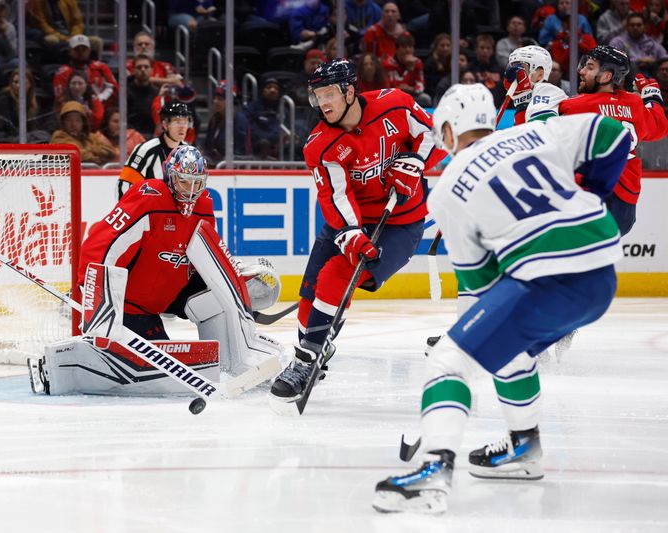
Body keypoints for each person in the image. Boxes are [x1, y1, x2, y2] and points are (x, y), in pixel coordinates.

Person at [372, 82, 630, 515]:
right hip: (600, 276)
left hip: (546, 279)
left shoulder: (450, 186)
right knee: (511, 351)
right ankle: (522, 449)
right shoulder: (535, 132)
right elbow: (615, 136)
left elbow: (478, 286)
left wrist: (467, 348)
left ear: (450, 132)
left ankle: (434, 471)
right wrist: (594, 196)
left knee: (448, 360)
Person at [32, 145, 283, 396]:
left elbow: (206, 254)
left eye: (197, 183)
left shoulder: (204, 205)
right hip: (132, 304)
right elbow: (101, 245)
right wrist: (94, 295)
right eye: (184, 182)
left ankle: (236, 361)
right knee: (155, 373)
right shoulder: (149, 197)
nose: (191, 191)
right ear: (169, 176)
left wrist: (234, 285)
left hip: (173, 289)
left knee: (216, 298)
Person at [267, 58, 446, 411]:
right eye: (318, 96)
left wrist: (415, 160)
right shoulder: (320, 144)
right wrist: (349, 233)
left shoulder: (394, 103)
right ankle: (317, 346)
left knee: (336, 275)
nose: (324, 103)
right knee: (309, 301)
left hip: (400, 223)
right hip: (351, 220)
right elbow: (335, 196)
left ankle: (305, 361)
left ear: (351, 90)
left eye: (330, 93)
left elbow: (431, 133)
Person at [513, 45, 668, 236]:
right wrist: (653, 97)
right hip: (627, 207)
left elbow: (532, 138)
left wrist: (522, 103)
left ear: (606, 76)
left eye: (590, 67)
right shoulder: (634, 104)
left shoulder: (574, 106)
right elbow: (660, 127)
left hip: (593, 201)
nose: (581, 70)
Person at [117, 101, 192, 199]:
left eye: (185, 122)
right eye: (177, 122)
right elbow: (125, 184)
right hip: (148, 211)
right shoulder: (146, 150)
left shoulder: (189, 153)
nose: (182, 127)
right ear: (165, 124)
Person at [52, 34, 117, 112]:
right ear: (70, 51)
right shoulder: (62, 73)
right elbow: (60, 99)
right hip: (72, 113)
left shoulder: (102, 68)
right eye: (77, 49)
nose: (81, 52)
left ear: (89, 50)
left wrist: (100, 101)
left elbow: (115, 90)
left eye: (84, 49)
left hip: (104, 110)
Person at [50, 101, 115, 166]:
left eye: (78, 120)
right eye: (69, 120)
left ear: (83, 123)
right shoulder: (58, 136)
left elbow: (109, 151)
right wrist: (97, 157)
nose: (73, 124)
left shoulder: (91, 137)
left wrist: (89, 150)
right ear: (63, 122)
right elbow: (75, 154)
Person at [202, 81, 250, 166]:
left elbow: (241, 152)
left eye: (220, 99)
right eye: (215, 98)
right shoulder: (214, 119)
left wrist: (221, 157)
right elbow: (207, 145)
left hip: (232, 168)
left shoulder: (240, 120)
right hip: (214, 164)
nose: (215, 101)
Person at [244, 77, 282, 160]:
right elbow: (249, 127)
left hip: (277, 145)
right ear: (262, 90)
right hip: (257, 144)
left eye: (276, 88)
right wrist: (266, 139)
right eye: (269, 87)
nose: (273, 90)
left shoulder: (283, 109)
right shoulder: (252, 107)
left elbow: (282, 130)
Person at [126, 54, 159, 135]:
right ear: (133, 70)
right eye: (139, 67)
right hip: (130, 135)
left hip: (152, 135)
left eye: (146, 67)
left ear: (152, 70)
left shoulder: (156, 92)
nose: (143, 70)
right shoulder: (124, 92)